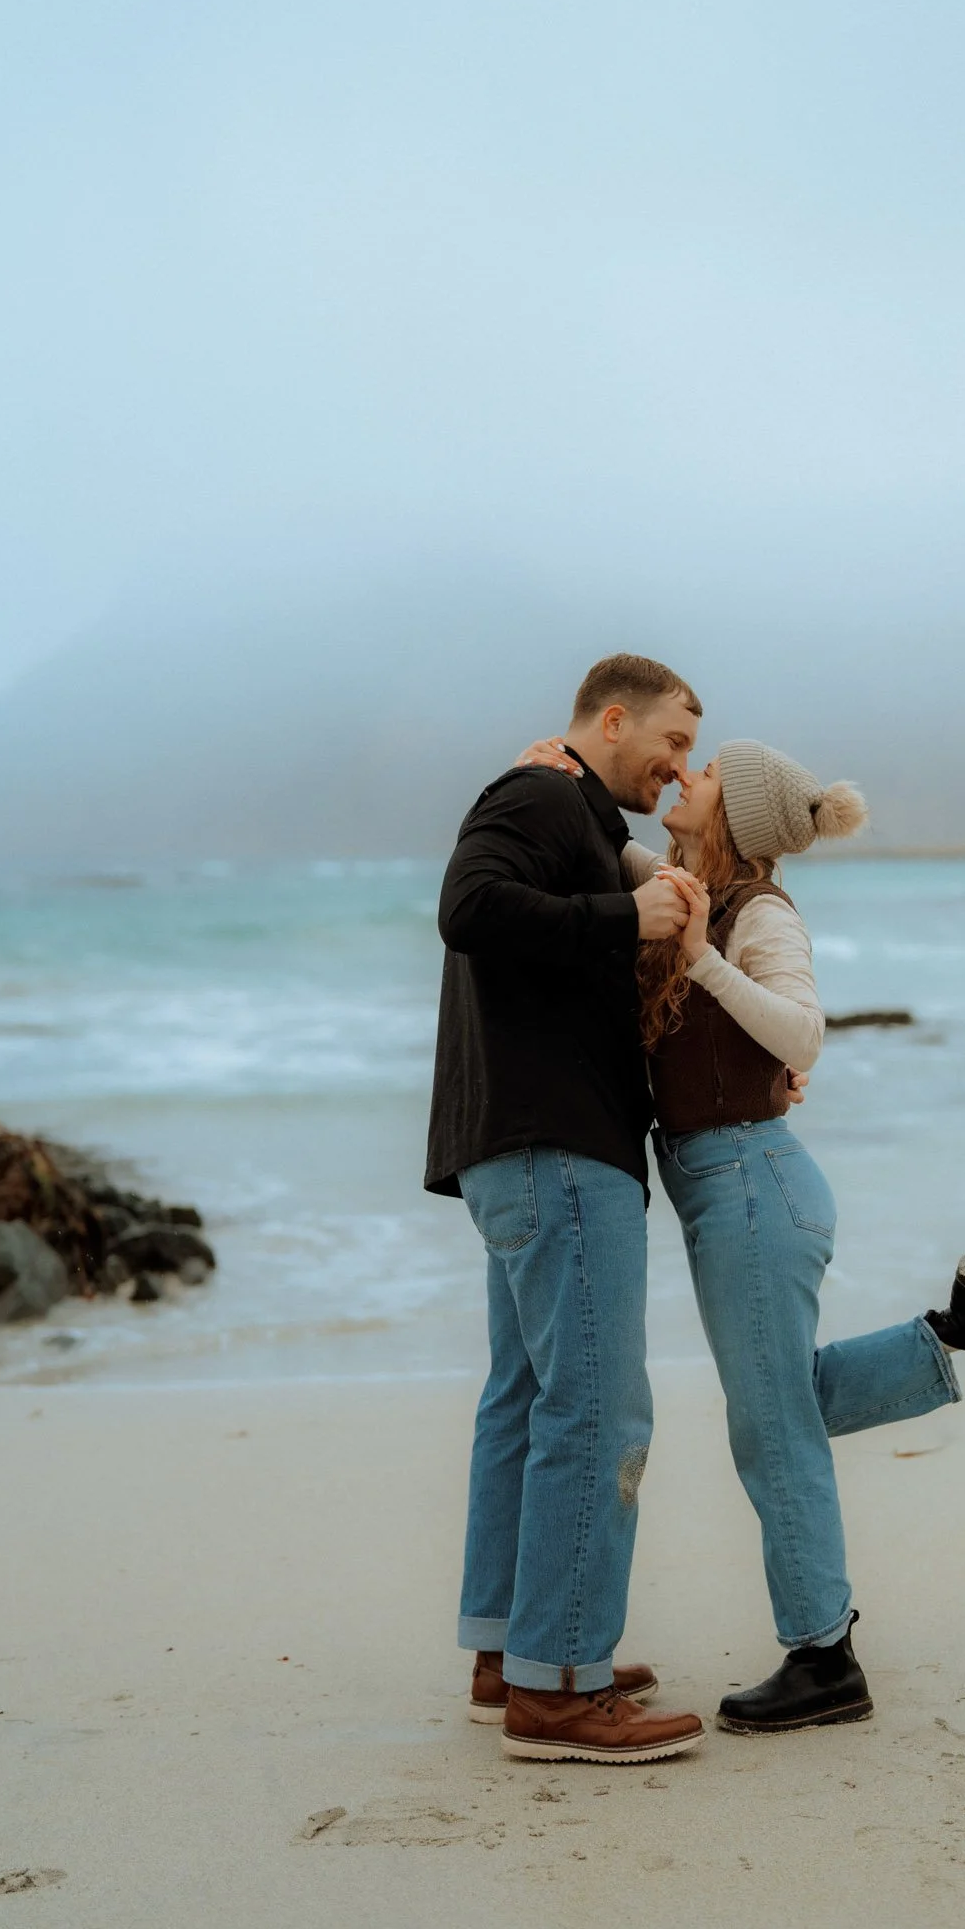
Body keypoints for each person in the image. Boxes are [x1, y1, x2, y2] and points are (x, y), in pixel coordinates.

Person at [521, 733, 965, 1735]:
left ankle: (824, 1655)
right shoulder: (686, 885)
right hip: (731, 1186)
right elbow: (606, 856)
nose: (683, 776)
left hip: (752, 1182)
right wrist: (564, 777)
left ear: (736, 816)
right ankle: (963, 1326)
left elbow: (801, 1033)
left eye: (702, 774)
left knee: (769, 1426)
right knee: (783, 1404)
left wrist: (703, 962)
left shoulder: (759, 915)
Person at [425, 653, 712, 1765]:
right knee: (598, 1410)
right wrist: (622, 918)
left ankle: (513, 1650)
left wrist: (642, 894)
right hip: (555, 1147)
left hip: (515, 1148)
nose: (678, 769)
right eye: (673, 744)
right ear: (610, 717)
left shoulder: (576, 812)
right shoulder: (537, 794)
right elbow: (468, 907)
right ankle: (559, 1685)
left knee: (527, 1400)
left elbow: (602, 893)